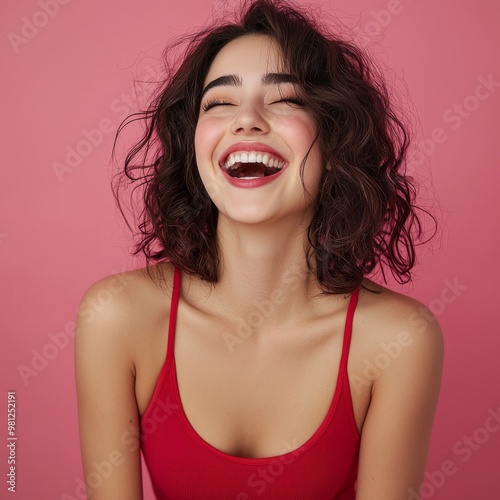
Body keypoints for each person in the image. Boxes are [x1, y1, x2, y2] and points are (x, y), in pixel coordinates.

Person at [75, 0, 444, 498]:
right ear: (194, 149)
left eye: (285, 99)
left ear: (335, 146)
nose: (246, 120)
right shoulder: (117, 317)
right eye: (219, 103)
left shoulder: (397, 339)